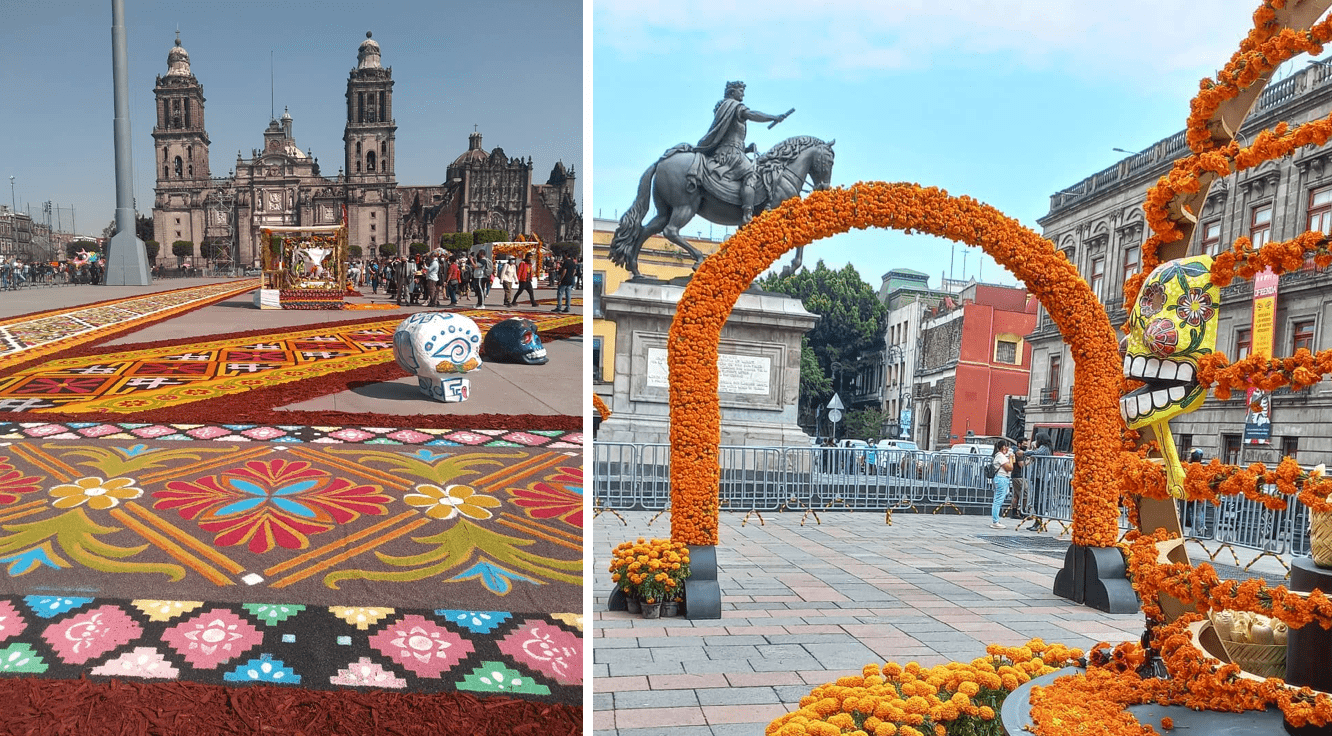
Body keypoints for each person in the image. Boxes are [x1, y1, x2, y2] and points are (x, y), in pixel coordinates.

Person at [694, 80, 790, 225]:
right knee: (752, 173)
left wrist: (745, 149)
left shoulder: (724, 109)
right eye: (741, 91)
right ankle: (747, 213)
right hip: (730, 153)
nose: (743, 95)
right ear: (732, 92)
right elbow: (752, 115)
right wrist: (773, 117)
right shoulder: (734, 106)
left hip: (730, 150)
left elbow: (726, 137)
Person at [1019, 434, 1054, 531]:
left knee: (1037, 500)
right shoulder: (1047, 448)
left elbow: (1035, 453)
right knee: (1036, 499)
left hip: (1040, 477)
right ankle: (1037, 521)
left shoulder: (1044, 448)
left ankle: (1038, 522)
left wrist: (1024, 453)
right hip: (1039, 477)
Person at [989, 439, 1015, 529]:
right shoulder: (1000, 456)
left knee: (999, 498)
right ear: (1004, 447)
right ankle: (995, 521)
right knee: (998, 500)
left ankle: (996, 520)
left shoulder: (1000, 456)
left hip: (1001, 478)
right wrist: (1011, 458)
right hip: (1001, 478)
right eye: (1007, 446)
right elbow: (1010, 467)